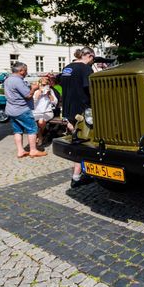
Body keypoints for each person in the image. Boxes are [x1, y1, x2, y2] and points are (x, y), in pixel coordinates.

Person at [59, 47, 95, 188]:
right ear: (89, 56)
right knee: (84, 142)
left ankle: (80, 174)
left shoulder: (67, 68)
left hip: (69, 110)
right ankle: (77, 177)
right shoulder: (85, 69)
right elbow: (90, 89)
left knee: (78, 141)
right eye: (93, 59)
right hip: (82, 110)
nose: (93, 62)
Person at [4, 62, 47, 158]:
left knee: (17, 130)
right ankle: (33, 150)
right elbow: (28, 95)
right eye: (26, 70)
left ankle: (20, 151)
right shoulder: (17, 81)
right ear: (21, 71)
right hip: (22, 109)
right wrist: (34, 89)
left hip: (11, 109)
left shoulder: (8, 79)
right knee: (32, 129)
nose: (27, 72)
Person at [33, 76, 58, 146]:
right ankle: (40, 136)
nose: (45, 86)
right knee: (33, 122)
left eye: (46, 84)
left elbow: (55, 102)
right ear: (39, 84)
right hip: (36, 112)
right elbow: (32, 103)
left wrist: (49, 95)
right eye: (43, 85)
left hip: (47, 112)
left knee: (41, 121)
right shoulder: (36, 91)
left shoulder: (50, 91)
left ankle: (39, 136)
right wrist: (38, 93)